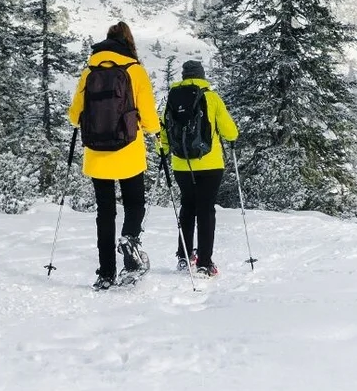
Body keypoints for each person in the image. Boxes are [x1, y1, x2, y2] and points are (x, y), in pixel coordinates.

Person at [67, 22, 161, 290]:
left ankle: (106, 273)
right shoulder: (134, 70)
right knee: (135, 205)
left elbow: (75, 115)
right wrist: (155, 133)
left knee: (105, 213)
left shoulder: (90, 70)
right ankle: (129, 240)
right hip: (129, 151)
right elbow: (150, 117)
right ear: (128, 43)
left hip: (97, 154)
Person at [155, 60, 238, 277]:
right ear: (202, 75)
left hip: (181, 164)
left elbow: (164, 130)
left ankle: (183, 257)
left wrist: (162, 151)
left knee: (187, 206)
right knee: (206, 210)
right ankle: (204, 262)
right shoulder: (211, 97)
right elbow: (230, 132)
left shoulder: (172, 98)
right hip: (210, 164)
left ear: (184, 76)